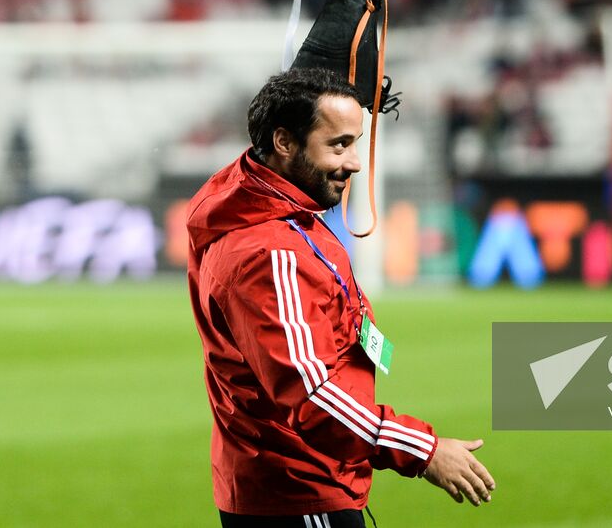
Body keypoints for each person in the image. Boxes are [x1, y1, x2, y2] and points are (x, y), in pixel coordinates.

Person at [186, 67, 495, 526]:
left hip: (294, 480)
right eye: (339, 145)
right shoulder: (269, 253)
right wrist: (423, 450)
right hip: (298, 487)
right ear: (284, 142)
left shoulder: (257, 199)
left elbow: (280, 121)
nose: (354, 163)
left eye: (354, 143)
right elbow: (313, 397)